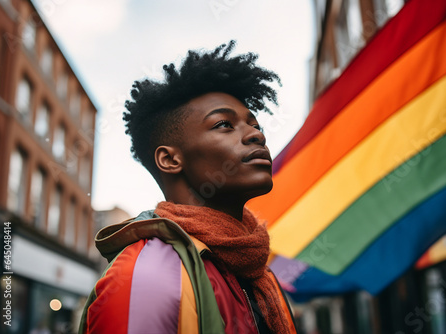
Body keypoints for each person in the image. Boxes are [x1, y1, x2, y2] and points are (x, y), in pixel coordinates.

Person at [79, 41, 297, 334]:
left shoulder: (261, 274)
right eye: (224, 125)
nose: (256, 135)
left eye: (254, 124)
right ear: (170, 159)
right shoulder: (146, 278)